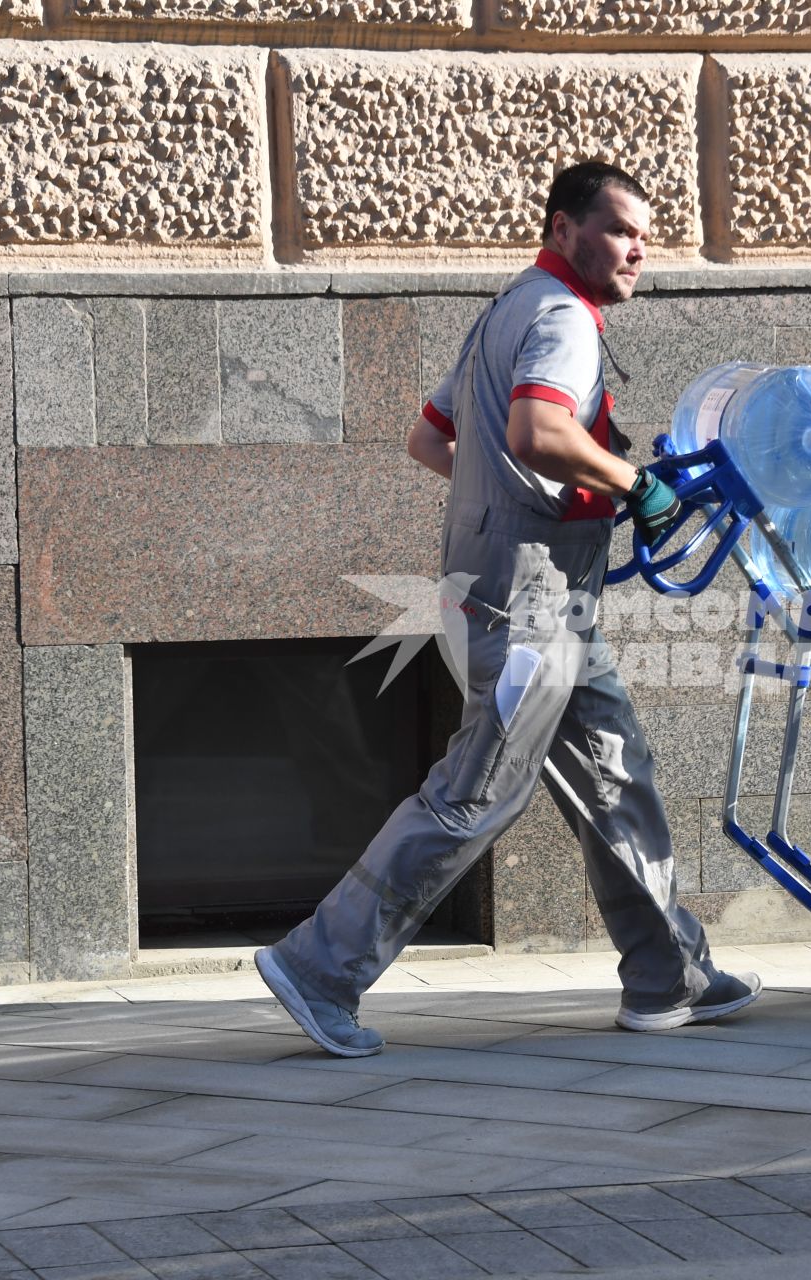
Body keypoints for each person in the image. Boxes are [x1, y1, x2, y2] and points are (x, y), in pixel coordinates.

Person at [256, 162, 760, 1057]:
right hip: (526, 609)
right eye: (618, 229)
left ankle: (666, 975)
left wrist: (534, 503)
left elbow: (430, 438)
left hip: (527, 595)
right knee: (474, 794)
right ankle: (321, 968)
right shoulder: (564, 317)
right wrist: (631, 486)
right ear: (564, 229)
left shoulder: (512, 306)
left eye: (646, 233)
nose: (638, 248)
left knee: (615, 775)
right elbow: (538, 433)